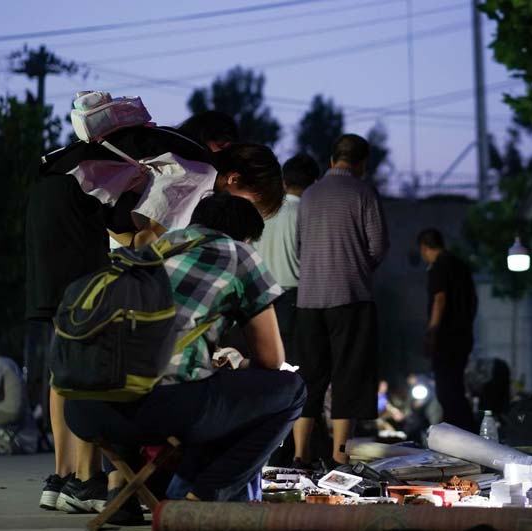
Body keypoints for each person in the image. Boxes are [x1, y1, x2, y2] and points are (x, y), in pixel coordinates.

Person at [27, 132, 284, 513]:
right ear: (233, 182)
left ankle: (66, 479)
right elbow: (148, 236)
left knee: (72, 338)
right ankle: (85, 481)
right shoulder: (199, 179)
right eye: (254, 206)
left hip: (59, 196)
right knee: (90, 340)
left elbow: (134, 225)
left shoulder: (191, 161)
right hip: (73, 205)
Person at [64, 193, 305, 525]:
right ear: (245, 235)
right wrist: (240, 363)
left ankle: (122, 492)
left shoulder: (154, 251)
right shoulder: (238, 252)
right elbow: (271, 359)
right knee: (291, 390)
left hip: (84, 411)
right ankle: (200, 497)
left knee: (138, 371)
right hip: (159, 409)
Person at [293, 134, 389, 466]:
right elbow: (377, 246)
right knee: (348, 377)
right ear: (362, 164)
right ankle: (339, 456)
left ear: (332, 160)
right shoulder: (364, 193)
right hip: (351, 297)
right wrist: (359, 267)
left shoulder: (309, 195)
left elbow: (299, 246)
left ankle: (299, 454)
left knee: (310, 378)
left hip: (308, 300)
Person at [254, 153, 319, 360]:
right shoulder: (309, 213)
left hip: (259, 295)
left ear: (283, 182)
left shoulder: (263, 210)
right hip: (293, 297)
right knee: (290, 358)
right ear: (314, 183)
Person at [418, 228, 477, 433]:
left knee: (446, 390)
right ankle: (468, 432)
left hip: (446, 338)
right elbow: (473, 302)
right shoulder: (462, 266)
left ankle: (460, 435)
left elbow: (439, 299)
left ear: (424, 248)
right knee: (456, 387)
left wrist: (432, 330)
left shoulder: (438, 267)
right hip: (463, 335)